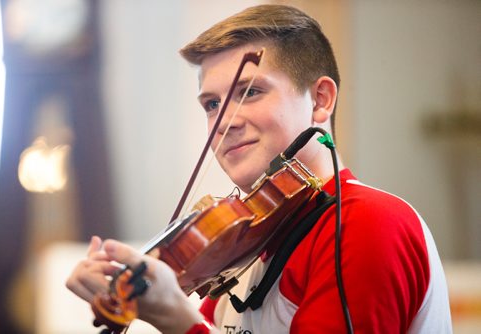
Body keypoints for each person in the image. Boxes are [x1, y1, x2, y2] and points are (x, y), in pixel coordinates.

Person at [66, 4, 452, 333]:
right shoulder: (246, 247)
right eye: (211, 104)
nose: (224, 121)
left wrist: (181, 322)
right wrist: (131, 292)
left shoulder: (367, 224)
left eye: (250, 92)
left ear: (320, 100)